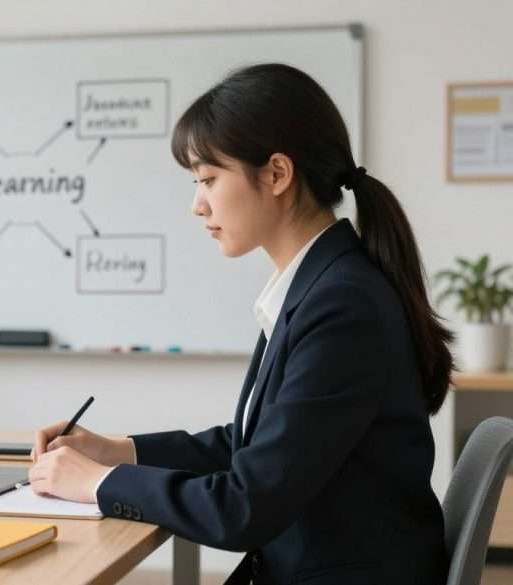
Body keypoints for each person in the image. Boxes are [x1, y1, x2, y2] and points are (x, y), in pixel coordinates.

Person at [29, 63, 454, 584]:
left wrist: (99, 482)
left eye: (208, 179)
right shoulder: (320, 285)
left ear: (277, 173)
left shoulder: (342, 305)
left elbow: (243, 508)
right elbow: (256, 445)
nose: (196, 204)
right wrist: (119, 451)